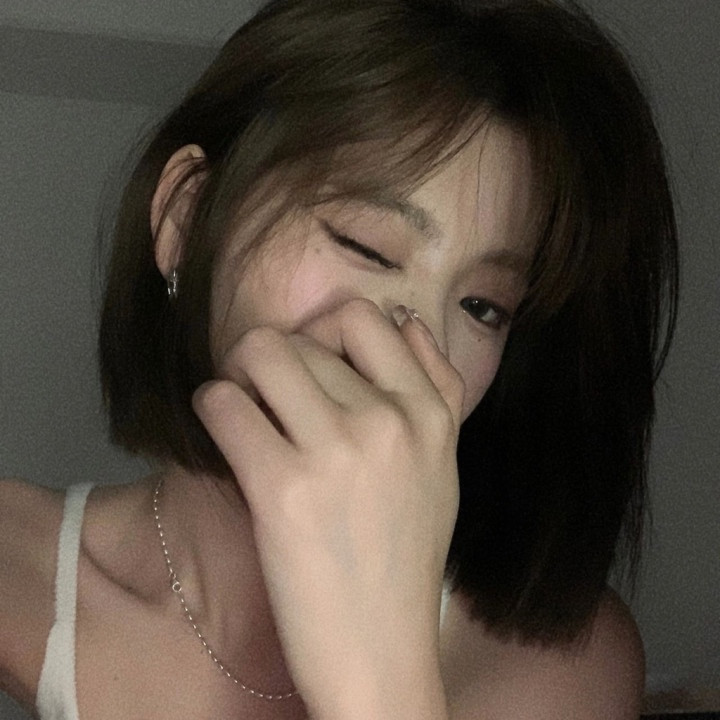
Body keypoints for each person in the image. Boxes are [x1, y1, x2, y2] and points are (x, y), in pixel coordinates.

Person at [0, 0, 678, 717]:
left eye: (483, 307)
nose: (416, 348)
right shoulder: (17, 564)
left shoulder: (564, 661)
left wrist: (379, 674)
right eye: (365, 246)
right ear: (186, 219)